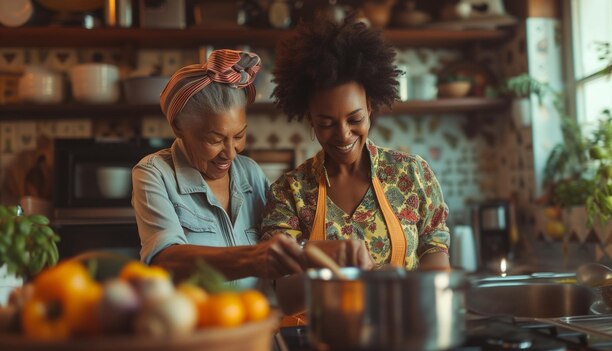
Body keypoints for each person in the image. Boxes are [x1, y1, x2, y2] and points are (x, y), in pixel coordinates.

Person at [263, 19, 451, 313]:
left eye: (355, 119)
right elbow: (286, 295)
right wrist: (325, 263)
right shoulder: (290, 192)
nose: (343, 134)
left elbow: (434, 249)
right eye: (325, 123)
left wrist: (432, 304)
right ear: (310, 118)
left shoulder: (411, 174)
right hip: (326, 337)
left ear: (371, 107)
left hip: (404, 333)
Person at [131, 49, 305, 285]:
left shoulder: (251, 173)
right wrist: (254, 258)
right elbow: (165, 261)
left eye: (239, 136)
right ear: (178, 128)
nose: (231, 153)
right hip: (196, 320)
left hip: (256, 318)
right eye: (215, 140)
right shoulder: (155, 174)